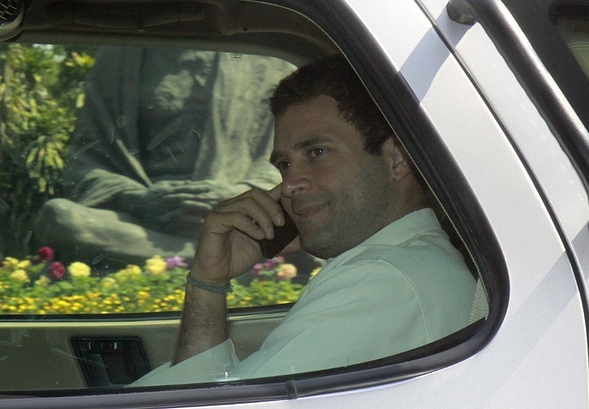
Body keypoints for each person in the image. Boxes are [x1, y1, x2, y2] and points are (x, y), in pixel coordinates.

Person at [131, 55, 477, 386]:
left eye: (317, 153)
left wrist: (206, 285)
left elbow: (223, 403)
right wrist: (209, 282)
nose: (290, 183)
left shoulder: (384, 277)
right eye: (284, 164)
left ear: (397, 158)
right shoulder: (409, 262)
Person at [34, 47, 295, 267]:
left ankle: (203, 255)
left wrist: (233, 199)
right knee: (59, 217)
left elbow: (291, 164)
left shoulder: (270, 55)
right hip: (142, 222)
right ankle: (213, 258)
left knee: (305, 226)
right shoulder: (120, 54)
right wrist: (141, 202)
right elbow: (85, 166)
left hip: (239, 221)